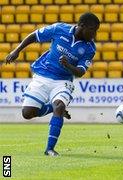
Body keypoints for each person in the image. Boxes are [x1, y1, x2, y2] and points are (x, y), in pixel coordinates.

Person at [5, 13, 100, 156]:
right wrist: (16, 50)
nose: (94, 34)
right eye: (92, 30)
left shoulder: (90, 48)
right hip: (43, 74)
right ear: (82, 26)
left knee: (60, 105)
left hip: (63, 81)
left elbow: (80, 72)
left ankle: (50, 149)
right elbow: (35, 36)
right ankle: (52, 108)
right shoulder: (59, 29)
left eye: (96, 30)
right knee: (27, 114)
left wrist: (68, 65)